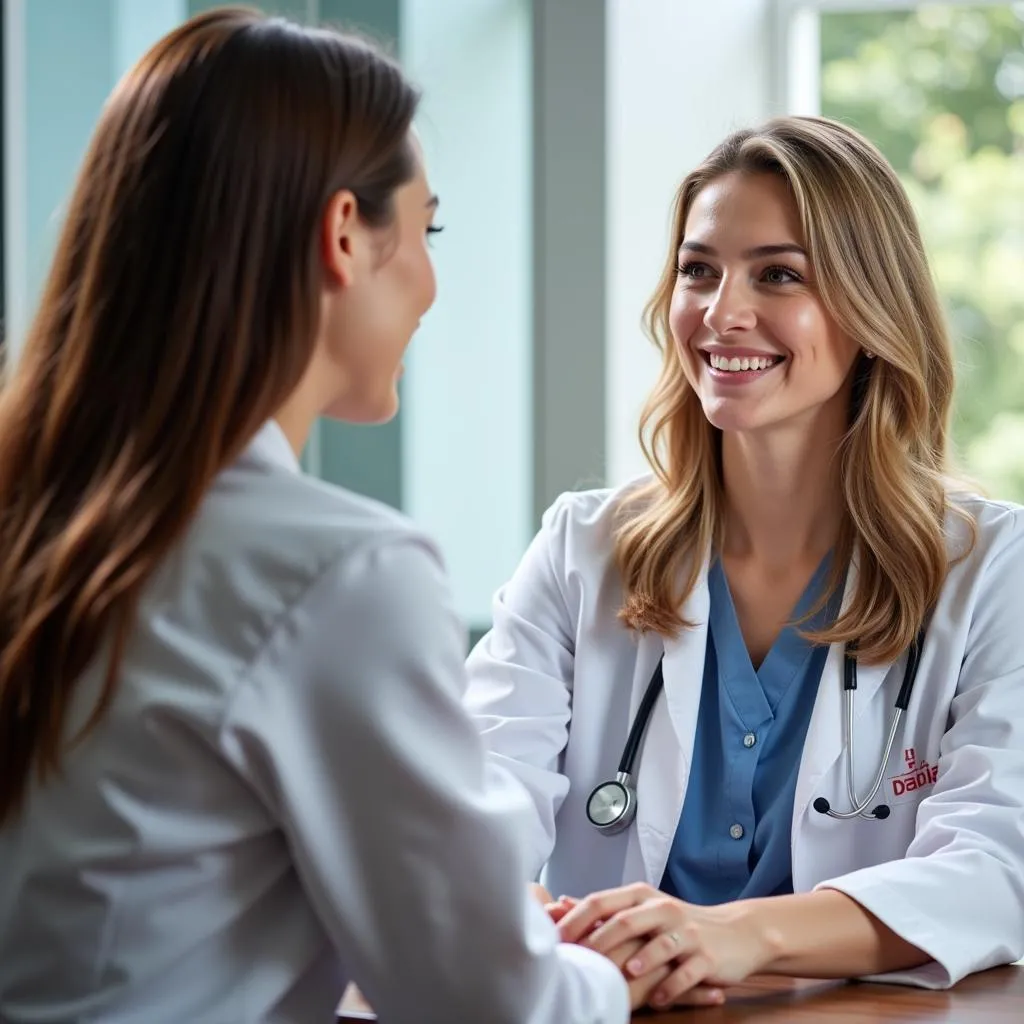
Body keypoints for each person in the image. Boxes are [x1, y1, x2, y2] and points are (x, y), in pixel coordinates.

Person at [0, 9, 630, 1023]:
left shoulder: (44, 516)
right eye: (425, 231)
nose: (429, 283)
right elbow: (487, 1003)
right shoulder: (334, 571)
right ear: (344, 234)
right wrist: (607, 971)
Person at [464, 115, 1024, 1011]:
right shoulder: (585, 549)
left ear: (871, 307)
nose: (722, 312)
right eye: (698, 271)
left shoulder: (991, 567)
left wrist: (735, 935)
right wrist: (543, 919)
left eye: (779, 275)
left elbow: (999, 865)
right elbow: (466, 810)